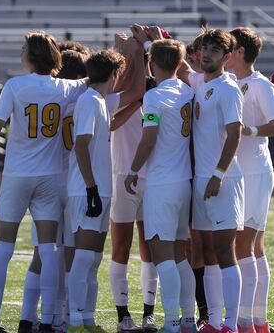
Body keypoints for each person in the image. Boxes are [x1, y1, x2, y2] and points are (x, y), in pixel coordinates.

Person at [0, 31, 87, 333]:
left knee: (4, 250)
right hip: (50, 177)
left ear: (31, 56)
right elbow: (96, 77)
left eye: (24, 49)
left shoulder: (15, 86)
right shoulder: (66, 87)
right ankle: (47, 321)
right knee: (49, 250)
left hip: (16, 177)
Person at [66, 44, 145, 333]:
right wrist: (90, 188)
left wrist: (136, 104)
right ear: (113, 73)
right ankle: (75, 318)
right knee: (84, 257)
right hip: (87, 189)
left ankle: (86, 317)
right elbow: (82, 145)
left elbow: (109, 125)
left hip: (99, 188)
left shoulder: (98, 101)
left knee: (94, 259)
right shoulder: (89, 100)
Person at [124, 37, 197, 333]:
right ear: (180, 64)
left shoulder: (154, 97)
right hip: (184, 182)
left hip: (162, 183)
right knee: (180, 255)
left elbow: (148, 138)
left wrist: (132, 170)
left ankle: (172, 321)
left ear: (152, 64)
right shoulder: (187, 91)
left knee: (161, 254)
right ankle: (189, 320)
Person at [178, 28, 245, 333]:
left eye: (215, 51)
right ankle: (214, 321)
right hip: (200, 180)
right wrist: (153, 40)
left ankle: (230, 323)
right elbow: (180, 67)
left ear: (227, 57)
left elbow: (235, 135)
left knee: (224, 251)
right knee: (205, 252)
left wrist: (218, 174)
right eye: (204, 48)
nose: (206, 54)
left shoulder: (228, 89)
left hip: (223, 179)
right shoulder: (198, 80)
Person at [20, 47, 91, 333]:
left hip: (47, 179)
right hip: (72, 184)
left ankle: (29, 316)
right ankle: (64, 315)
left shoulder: (49, 96)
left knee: (43, 252)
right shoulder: (85, 100)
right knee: (70, 253)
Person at [226, 28, 274, 333]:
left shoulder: (259, 84)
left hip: (256, 170)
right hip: (240, 171)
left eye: (230, 47)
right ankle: (259, 320)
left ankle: (247, 321)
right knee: (254, 246)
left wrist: (249, 130)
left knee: (244, 245)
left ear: (240, 52)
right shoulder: (229, 82)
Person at [109, 26, 160, 333]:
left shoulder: (161, 91)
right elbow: (113, 123)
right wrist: (138, 101)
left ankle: (148, 313)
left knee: (149, 248)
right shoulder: (121, 93)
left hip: (152, 177)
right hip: (121, 174)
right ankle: (122, 315)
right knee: (120, 247)